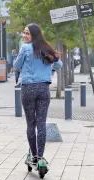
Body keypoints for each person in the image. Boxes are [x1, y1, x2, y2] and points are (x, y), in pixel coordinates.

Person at [14, 23, 62, 166]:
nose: (24, 35)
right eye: (24, 32)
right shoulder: (47, 48)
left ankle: (34, 156)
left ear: (34, 35)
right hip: (43, 89)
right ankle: (41, 158)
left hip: (28, 88)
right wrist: (48, 69)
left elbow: (16, 65)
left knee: (31, 123)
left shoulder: (25, 48)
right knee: (41, 123)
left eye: (27, 33)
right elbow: (58, 65)